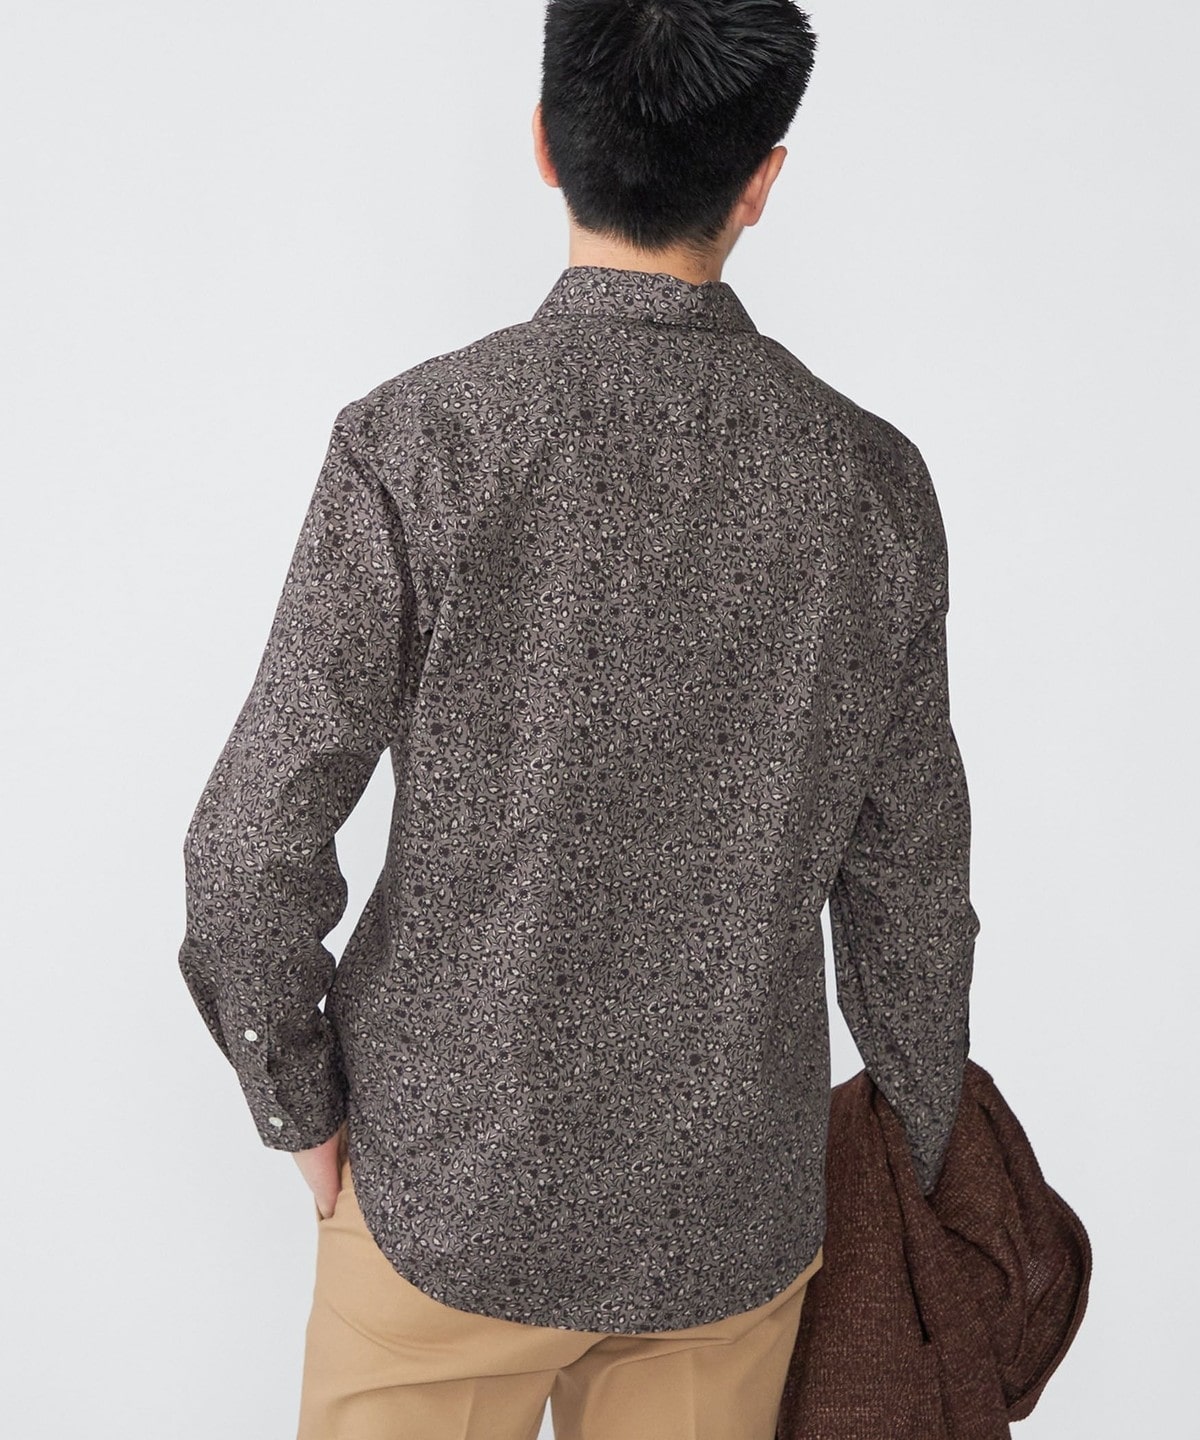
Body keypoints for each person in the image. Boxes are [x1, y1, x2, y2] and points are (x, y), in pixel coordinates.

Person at [177, 3, 981, 1436]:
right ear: (763, 181)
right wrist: (913, 1163)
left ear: (546, 144)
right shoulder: (870, 484)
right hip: (729, 1211)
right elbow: (910, 888)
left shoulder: (420, 443)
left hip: (441, 1194)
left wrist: (300, 1109)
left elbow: (249, 846)